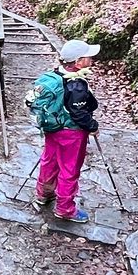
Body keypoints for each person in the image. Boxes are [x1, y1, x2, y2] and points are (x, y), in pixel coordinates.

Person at [28, 40, 101, 223]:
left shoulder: (56, 75)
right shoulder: (76, 85)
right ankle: (65, 209)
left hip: (53, 128)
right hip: (72, 133)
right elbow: (79, 113)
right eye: (88, 57)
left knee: (49, 161)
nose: (91, 59)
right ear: (78, 62)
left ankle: (43, 194)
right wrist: (92, 126)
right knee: (69, 169)